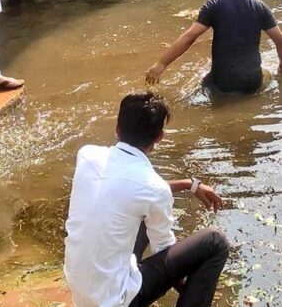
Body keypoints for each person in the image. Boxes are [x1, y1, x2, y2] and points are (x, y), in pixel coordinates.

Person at [64, 92, 229, 307]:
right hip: (114, 300)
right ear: (159, 137)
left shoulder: (87, 155)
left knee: (139, 212)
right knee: (215, 241)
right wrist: (192, 287)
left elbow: (130, 189)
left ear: (117, 128)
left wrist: (190, 184)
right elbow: (163, 251)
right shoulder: (153, 188)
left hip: (80, 289)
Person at [145, 0, 282, 94]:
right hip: (251, 82)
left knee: (205, 82)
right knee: (267, 73)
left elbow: (190, 36)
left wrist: (161, 64)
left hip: (221, 82)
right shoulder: (260, 7)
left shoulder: (213, 5)